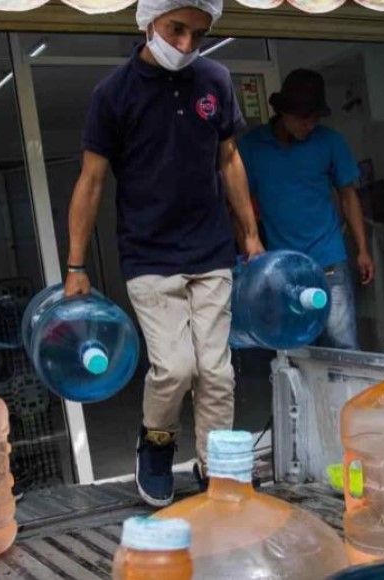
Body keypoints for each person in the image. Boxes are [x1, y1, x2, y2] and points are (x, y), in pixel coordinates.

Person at [64, 0, 264, 506]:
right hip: (148, 255)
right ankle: (156, 444)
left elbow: (230, 159)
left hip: (211, 250)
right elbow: (91, 181)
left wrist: (250, 234)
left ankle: (217, 465)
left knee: (216, 371)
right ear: (149, 20)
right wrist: (76, 265)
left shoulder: (215, 80)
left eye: (198, 34)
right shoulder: (114, 94)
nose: (186, 44)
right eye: (176, 29)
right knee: (175, 368)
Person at [237, 69, 373, 351]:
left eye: (314, 119)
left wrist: (362, 250)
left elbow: (348, 196)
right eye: (303, 118)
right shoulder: (253, 147)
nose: (309, 125)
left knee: (343, 346)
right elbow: (238, 204)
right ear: (283, 112)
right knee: (295, 349)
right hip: (283, 270)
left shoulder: (330, 141)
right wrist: (251, 250)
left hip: (330, 262)